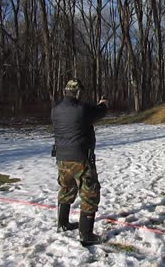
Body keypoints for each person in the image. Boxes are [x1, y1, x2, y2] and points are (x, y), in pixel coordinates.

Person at [51, 79, 107, 247]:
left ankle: (63, 224)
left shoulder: (55, 110)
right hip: (80, 158)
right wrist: (103, 103)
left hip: (61, 157)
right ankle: (86, 234)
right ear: (78, 93)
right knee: (90, 193)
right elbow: (101, 112)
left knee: (66, 188)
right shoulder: (82, 109)